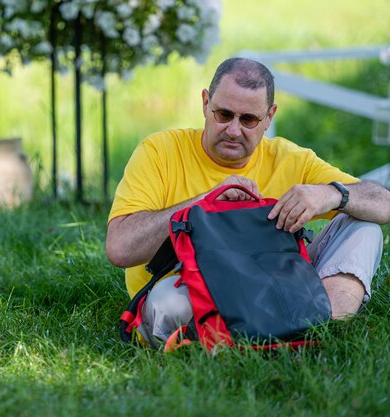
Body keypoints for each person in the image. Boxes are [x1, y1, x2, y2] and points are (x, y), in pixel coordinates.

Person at [106, 57, 390, 348]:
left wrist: (331, 194)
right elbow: (119, 249)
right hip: (194, 293)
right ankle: (268, 339)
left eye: (248, 120)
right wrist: (203, 203)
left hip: (276, 291)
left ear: (269, 117)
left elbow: (384, 202)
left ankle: (323, 332)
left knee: (364, 227)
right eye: (223, 114)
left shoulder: (291, 159)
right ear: (205, 103)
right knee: (168, 306)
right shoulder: (159, 152)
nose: (233, 130)